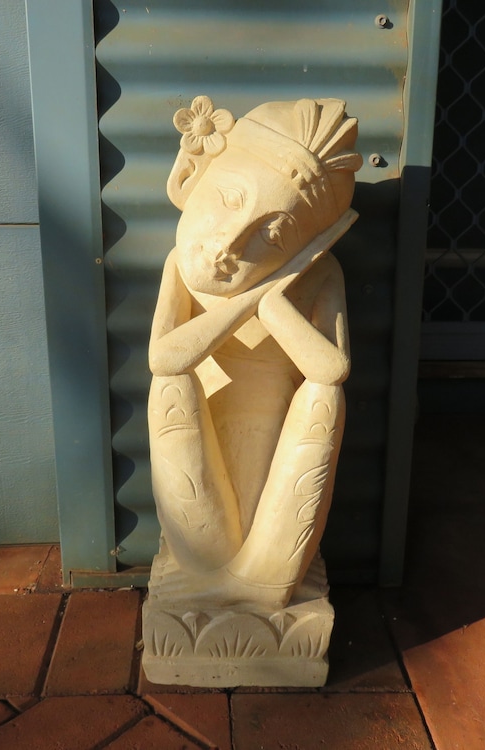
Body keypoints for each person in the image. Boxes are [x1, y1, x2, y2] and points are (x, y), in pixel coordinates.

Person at [147, 96, 362, 609]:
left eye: (273, 233)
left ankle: (265, 579)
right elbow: (164, 358)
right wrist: (251, 298)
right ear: (190, 177)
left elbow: (332, 368)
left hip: (275, 440)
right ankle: (203, 569)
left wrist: (278, 294)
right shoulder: (180, 265)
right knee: (169, 386)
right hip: (203, 437)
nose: (230, 245)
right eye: (230, 198)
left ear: (307, 249)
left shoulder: (322, 275)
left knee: (325, 397)